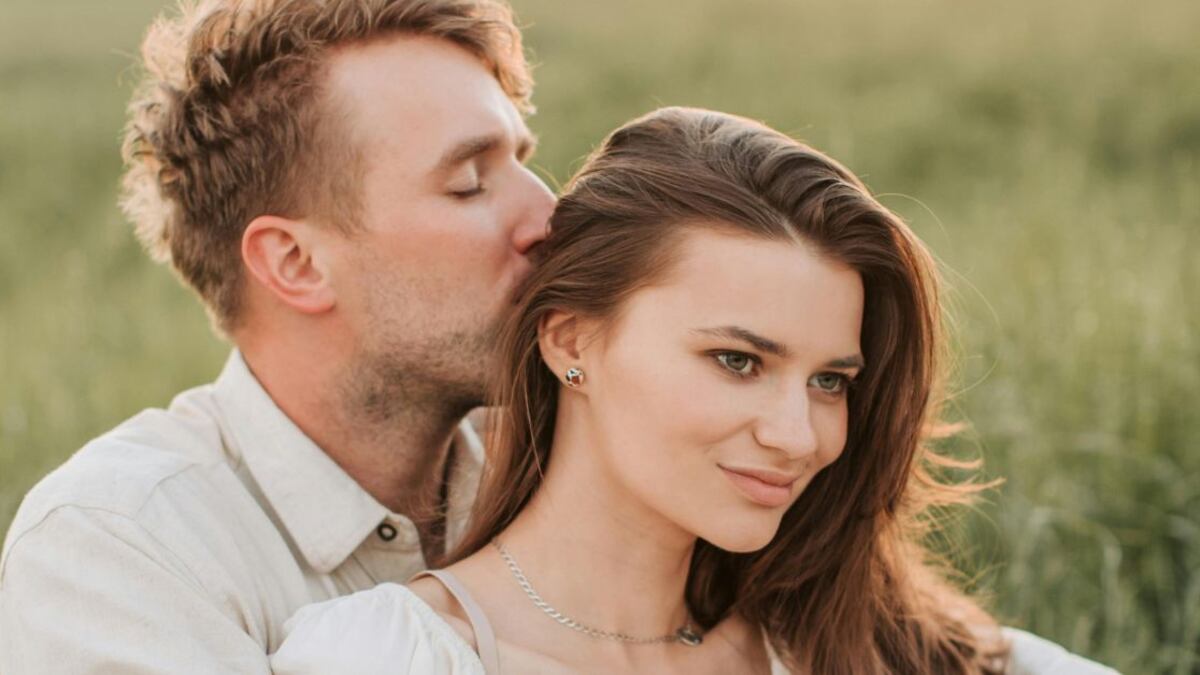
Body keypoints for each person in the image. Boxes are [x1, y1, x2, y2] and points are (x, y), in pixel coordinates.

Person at [270, 107, 1120, 674]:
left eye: (830, 380)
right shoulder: (391, 653)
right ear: (571, 339)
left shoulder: (850, 639)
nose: (800, 435)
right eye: (738, 361)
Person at [0, 0, 554, 672]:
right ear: (295, 263)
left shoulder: (574, 471)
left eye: (523, 161)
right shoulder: (118, 548)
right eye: (469, 184)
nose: (549, 216)